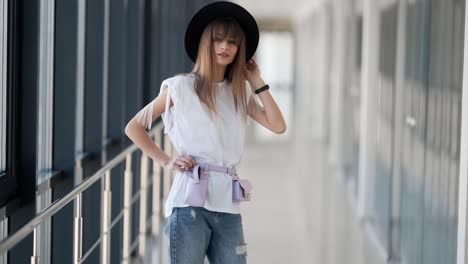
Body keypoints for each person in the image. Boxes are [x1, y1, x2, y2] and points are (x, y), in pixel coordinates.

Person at [125, 1, 286, 263]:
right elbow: (134, 127)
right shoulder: (180, 88)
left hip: (229, 206)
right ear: (205, 43)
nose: (224, 47)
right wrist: (166, 160)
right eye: (218, 39)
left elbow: (278, 126)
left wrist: (256, 80)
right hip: (189, 205)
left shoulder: (239, 93)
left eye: (232, 42)